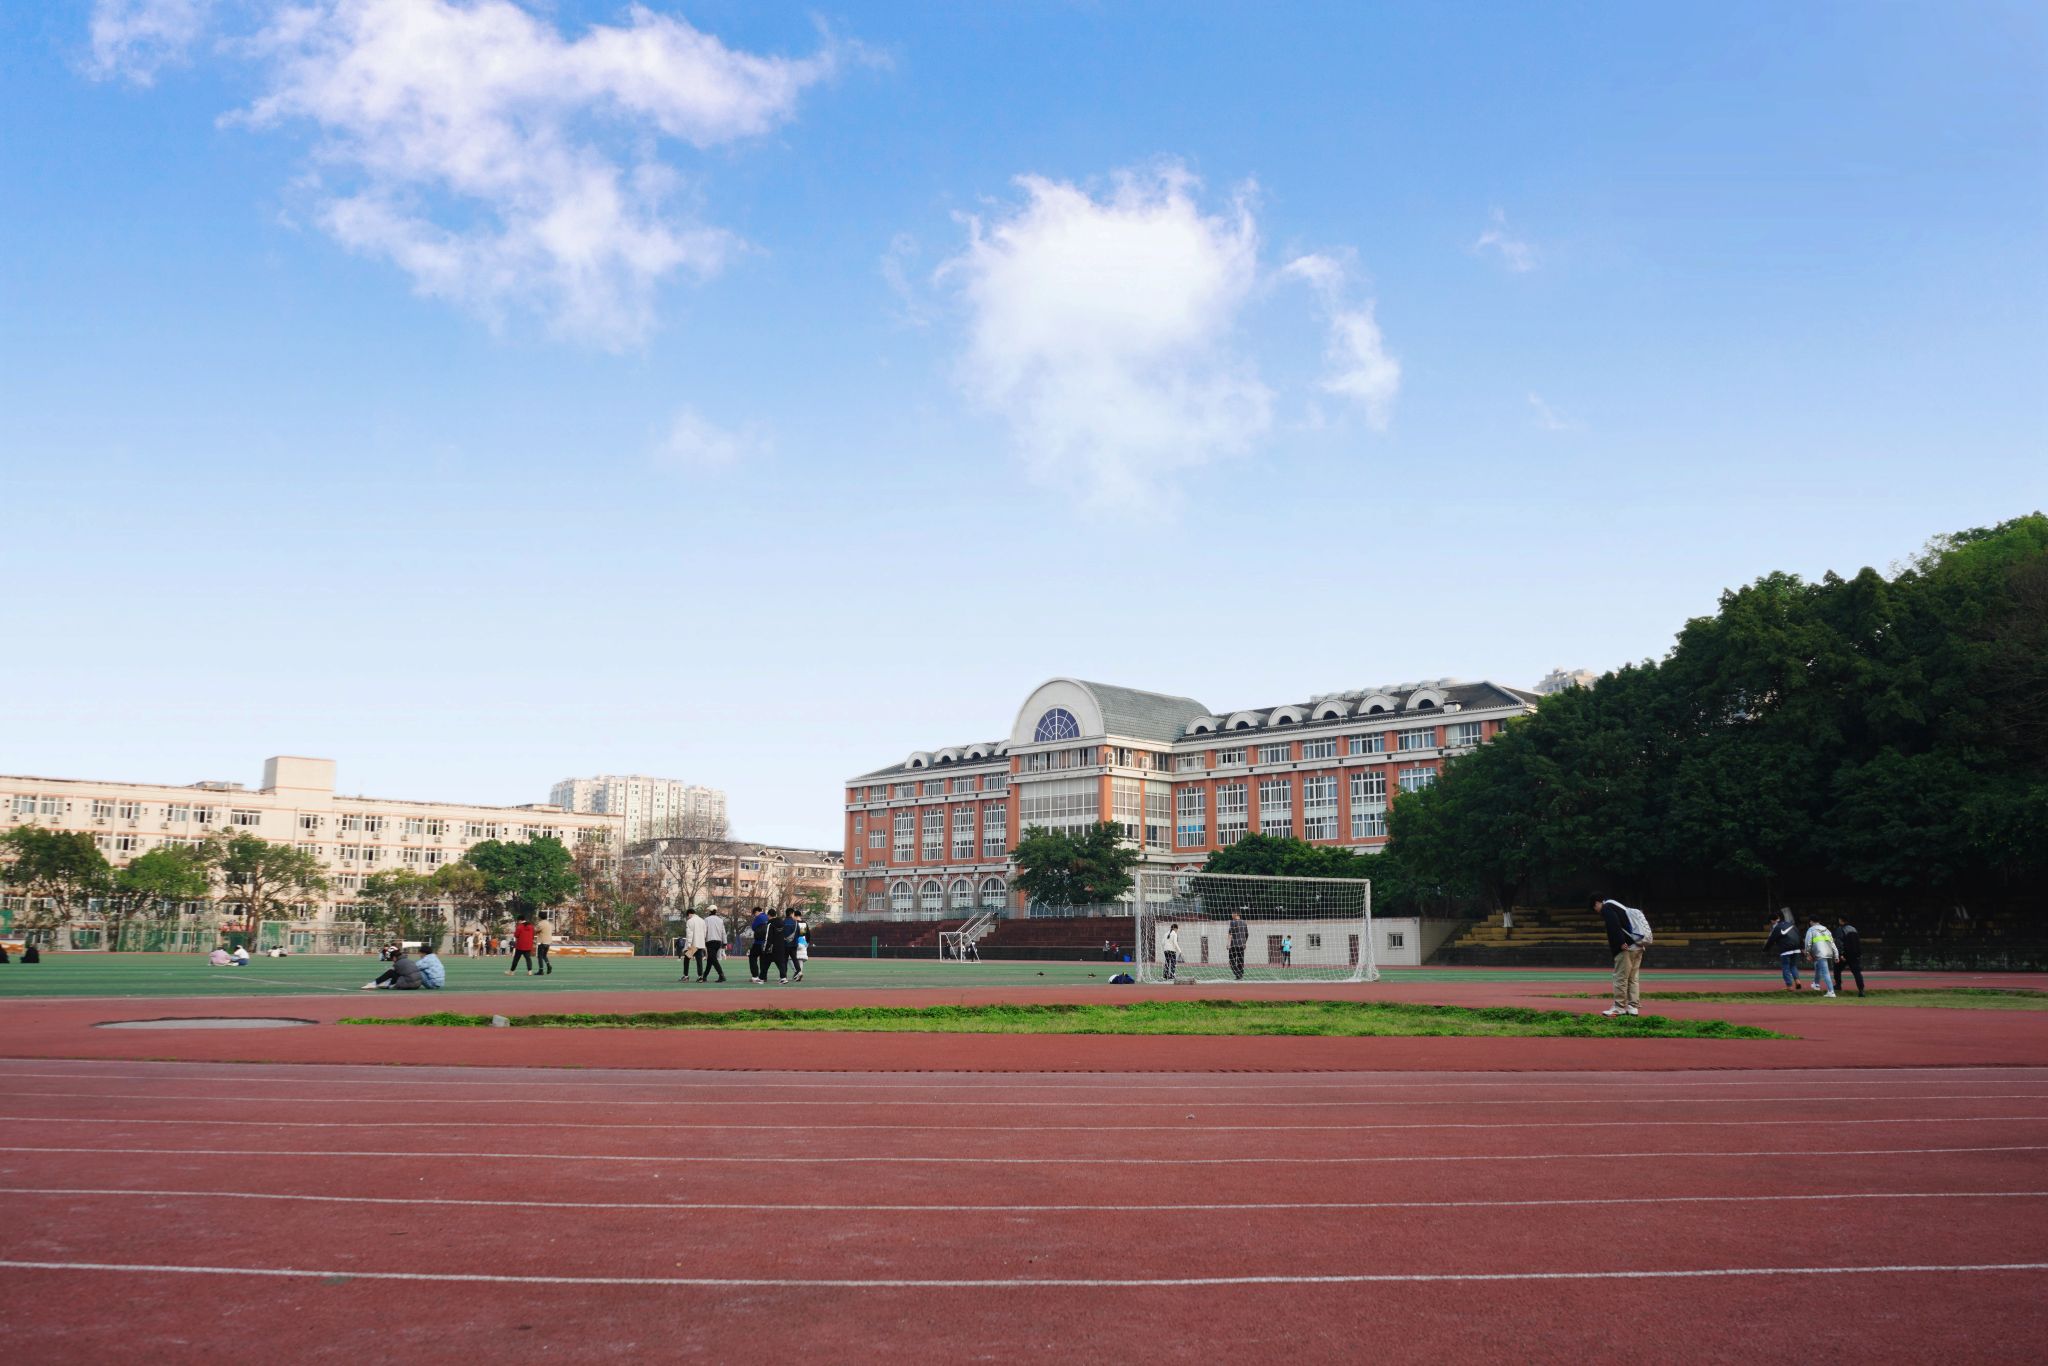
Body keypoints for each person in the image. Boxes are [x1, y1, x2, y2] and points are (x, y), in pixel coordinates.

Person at [1596, 895, 1648, 1017]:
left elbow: (1613, 925)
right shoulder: (1619, 906)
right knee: (1633, 978)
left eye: (1595, 908)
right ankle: (1633, 1007)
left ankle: (1619, 1007)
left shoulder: (1607, 907)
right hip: (1638, 944)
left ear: (1597, 903)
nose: (1597, 911)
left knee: (1620, 977)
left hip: (1626, 948)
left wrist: (1620, 942)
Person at [1804, 916, 1839, 998]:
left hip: (1819, 953)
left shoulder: (1811, 930)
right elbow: (1832, 943)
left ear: (1811, 921)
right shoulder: (1826, 930)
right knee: (1817, 966)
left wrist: (1807, 954)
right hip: (1827, 952)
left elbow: (1808, 943)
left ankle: (1831, 991)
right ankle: (1816, 984)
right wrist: (1836, 955)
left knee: (1825, 973)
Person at [1766, 911, 1803, 990]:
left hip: (1786, 950)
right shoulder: (1790, 924)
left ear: (1772, 921)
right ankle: (1797, 981)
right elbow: (1798, 935)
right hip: (1796, 948)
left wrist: (1765, 949)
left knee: (1785, 967)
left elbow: (1771, 940)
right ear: (1779, 918)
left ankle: (1789, 986)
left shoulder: (1776, 928)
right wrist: (1802, 947)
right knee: (1793, 966)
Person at [1836, 918, 1866, 997]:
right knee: (1857, 973)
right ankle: (1861, 990)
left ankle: (1838, 985)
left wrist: (1840, 954)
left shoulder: (1840, 929)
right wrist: (1858, 954)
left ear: (1841, 920)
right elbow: (1858, 942)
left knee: (1837, 968)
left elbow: (1839, 942)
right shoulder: (1853, 929)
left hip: (1845, 954)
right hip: (1854, 955)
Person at [766, 909, 796, 984]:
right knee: (782, 961)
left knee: (766, 961)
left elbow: (768, 936)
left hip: (773, 946)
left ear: (769, 915)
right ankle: (784, 977)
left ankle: (762, 977)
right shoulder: (784, 922)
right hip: (783, 945)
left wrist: (766, 946)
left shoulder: (770, 924)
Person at [701, 906, 728, 983]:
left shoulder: (706, 920)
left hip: (710, 941)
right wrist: (725, 942)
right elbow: (723, 932)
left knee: (713, 959)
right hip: (718, 942)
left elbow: (704, 931)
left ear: (710, 911)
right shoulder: (720, 920)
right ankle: (704, 976)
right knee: (710, 960)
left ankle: (721, 975)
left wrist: (702, 941)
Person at [680, 908, 706, 982]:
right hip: (700, 944)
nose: (688, 917)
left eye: (687, 916)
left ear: (689, 914)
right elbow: (705, 932)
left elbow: (689, 933)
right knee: (699, 961)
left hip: (693, 945)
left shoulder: (690, 921)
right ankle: (700, 977)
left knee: (686, 960)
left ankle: (686, 976)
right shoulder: (702, 920)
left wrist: (689, 944)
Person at [747, 907, 771, 983]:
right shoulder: (767, 917)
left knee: (752, 957)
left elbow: (753, 927)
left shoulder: (759, 917)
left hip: (758, 942)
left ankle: (755, 976)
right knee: (763, 959)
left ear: (757, 911)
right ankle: (763, 977)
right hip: (766, 942)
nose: (755, 915)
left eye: (754, 914)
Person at [1227, 910, 1249, 981]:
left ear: (1236, 914)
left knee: (1231, 960)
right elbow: (1247, 934)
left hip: (1234, 945)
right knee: (1240, 961)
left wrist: (1228, 944)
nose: (1231, 915)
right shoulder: (1244, 922)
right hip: (1241, 945)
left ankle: (1238, 974)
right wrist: (1244, 943)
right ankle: (1240, 976)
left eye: (1232, 914)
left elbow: (1230, 933)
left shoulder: (1232, 922)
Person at [790, 909, 809, 982]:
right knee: (800, 958)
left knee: (789, 957)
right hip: (803, 943)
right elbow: (807, 934)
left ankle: (797, 972)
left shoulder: (794, 923)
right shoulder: (804, 923)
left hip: (795, 942)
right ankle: (799, 972)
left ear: (795, 916)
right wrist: (807, 943)